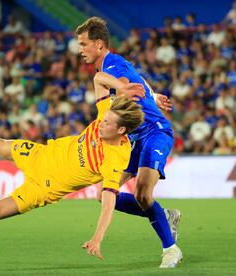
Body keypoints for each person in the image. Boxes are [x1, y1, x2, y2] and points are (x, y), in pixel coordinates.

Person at [0, 79, 145, 261]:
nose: (101, 122)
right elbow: (99, 79)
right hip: (39, 154)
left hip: (41, 189)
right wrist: (122, 88)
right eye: (104, 119)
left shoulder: (116, 158)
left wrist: (97, 237)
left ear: (122, 131)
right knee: (0, 145)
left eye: (108, 123)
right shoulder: (107, 115)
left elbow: (108, 201)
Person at [76, 17, 182, 268]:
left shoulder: (110, 68)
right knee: (103, 193)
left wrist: (126, 91)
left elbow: (123, 84)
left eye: (83, 44)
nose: (80, 49)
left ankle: (171, 249)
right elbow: (137, 80)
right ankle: (165, 216)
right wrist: (153, 95)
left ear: (99, 45)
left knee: (143, 194)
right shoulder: (114, 64)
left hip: (155, 132)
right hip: (133, 139)